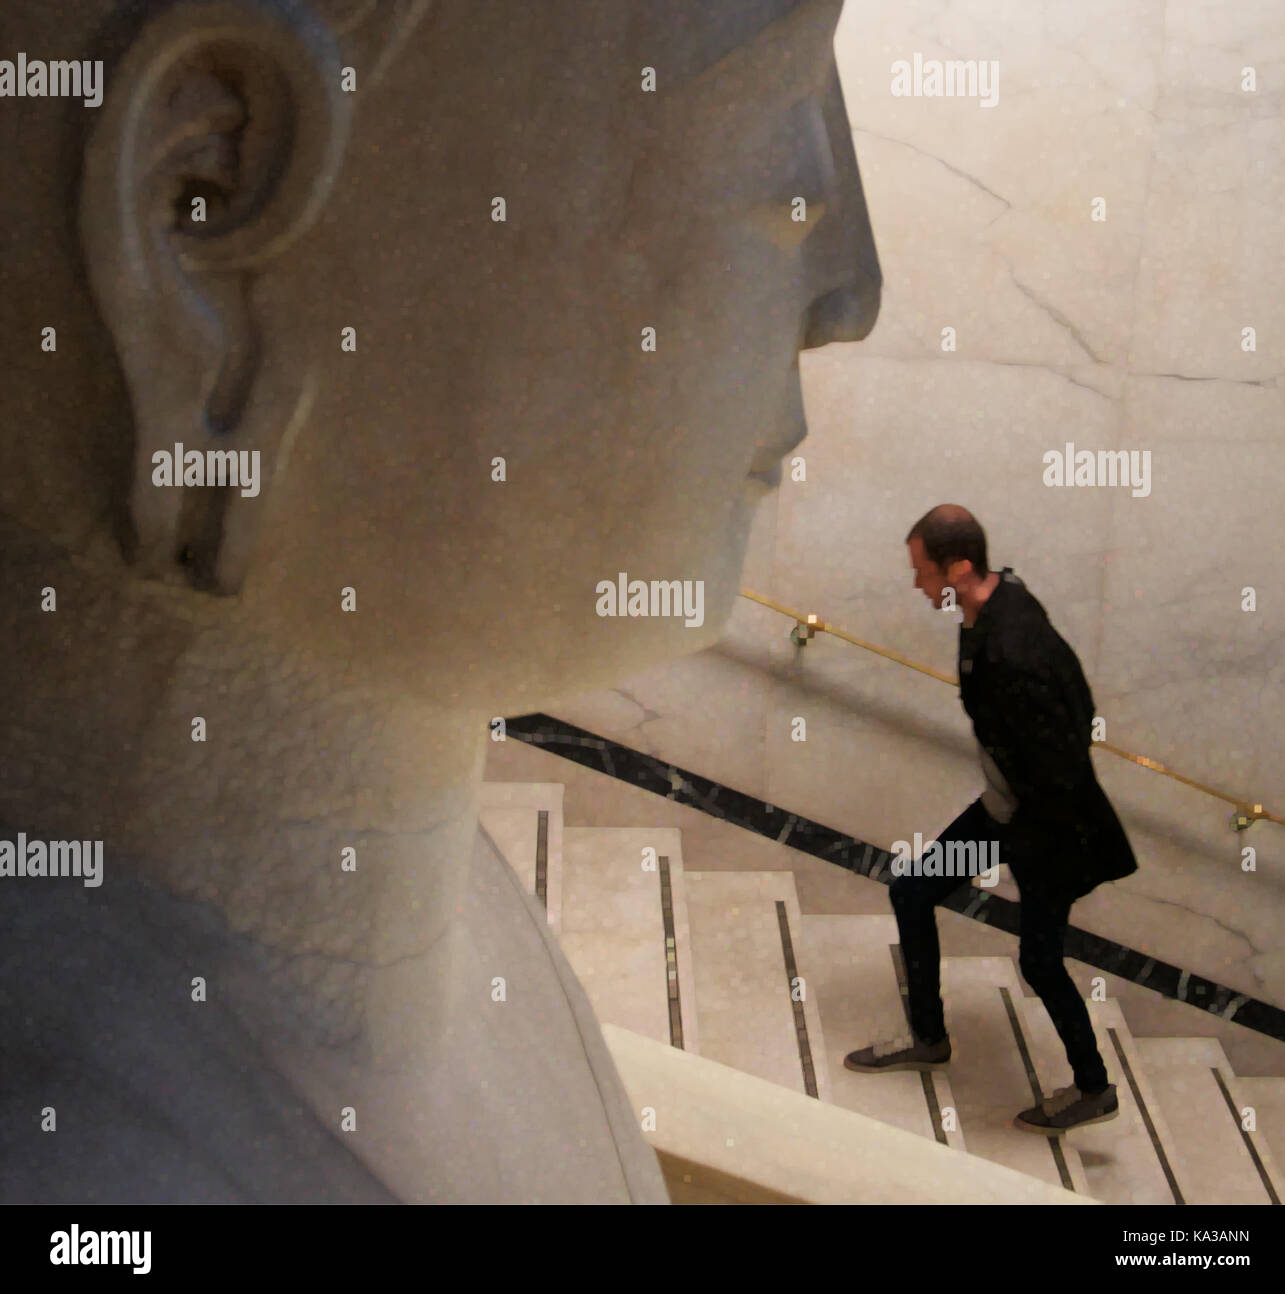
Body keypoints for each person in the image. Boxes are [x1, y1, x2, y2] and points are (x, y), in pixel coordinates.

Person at [0, 0, 881, 1202]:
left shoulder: (444, 916)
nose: (851, 292)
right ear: (200, 211)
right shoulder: (95, 1172)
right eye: (779, 116)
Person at [845, 505, 1138, 1134]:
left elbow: (1065, 737)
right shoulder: (991, 609)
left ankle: (1094, 1088)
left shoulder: (1015, 645)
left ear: (958, 567)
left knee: (1040, 961)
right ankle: (928, 1037)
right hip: (1008, 812)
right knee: (914, 891)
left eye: (923, 573)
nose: (917, 584)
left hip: (1048, 831)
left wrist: (1029, 849)